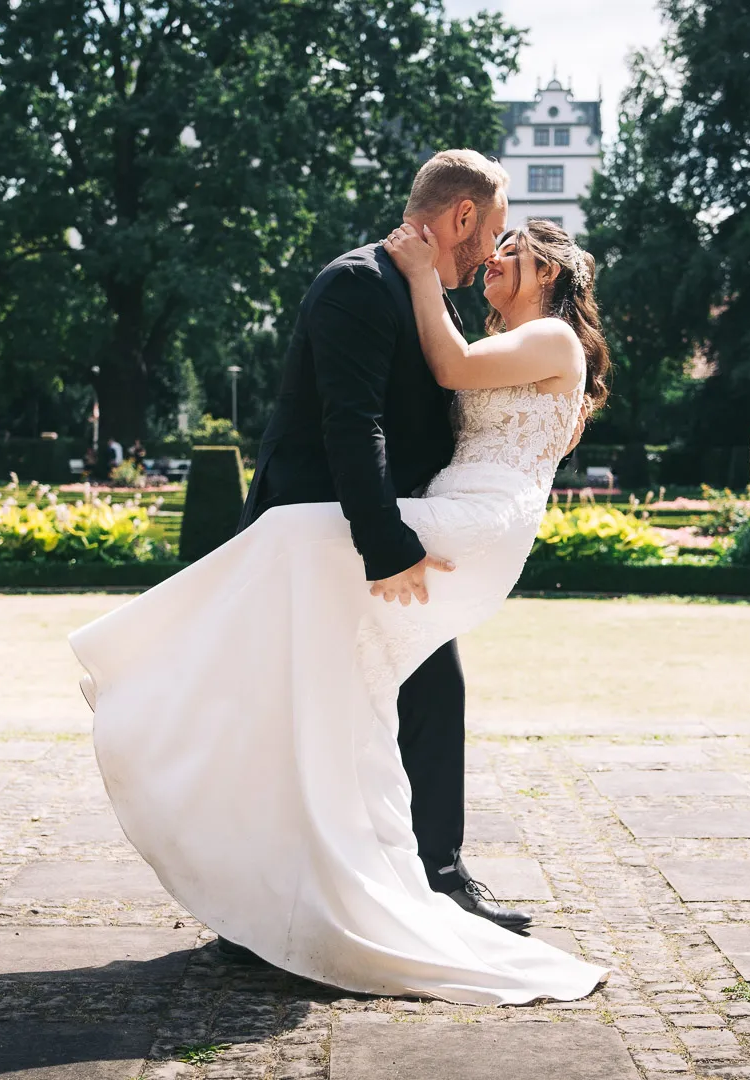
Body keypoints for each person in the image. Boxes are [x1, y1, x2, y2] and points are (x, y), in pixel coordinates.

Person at [70, 150, 612, 1005]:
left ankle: (429, 875)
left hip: (411, 530)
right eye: (493, 234)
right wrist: (382, 540)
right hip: (340, 523)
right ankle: (268, 900)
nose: (491, 258)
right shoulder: (361, 283)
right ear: (463, 219)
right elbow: (351, 421)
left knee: (427, 694)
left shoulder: (475, 318)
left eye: (515, 248)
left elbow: (458, 390)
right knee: (289, 718)